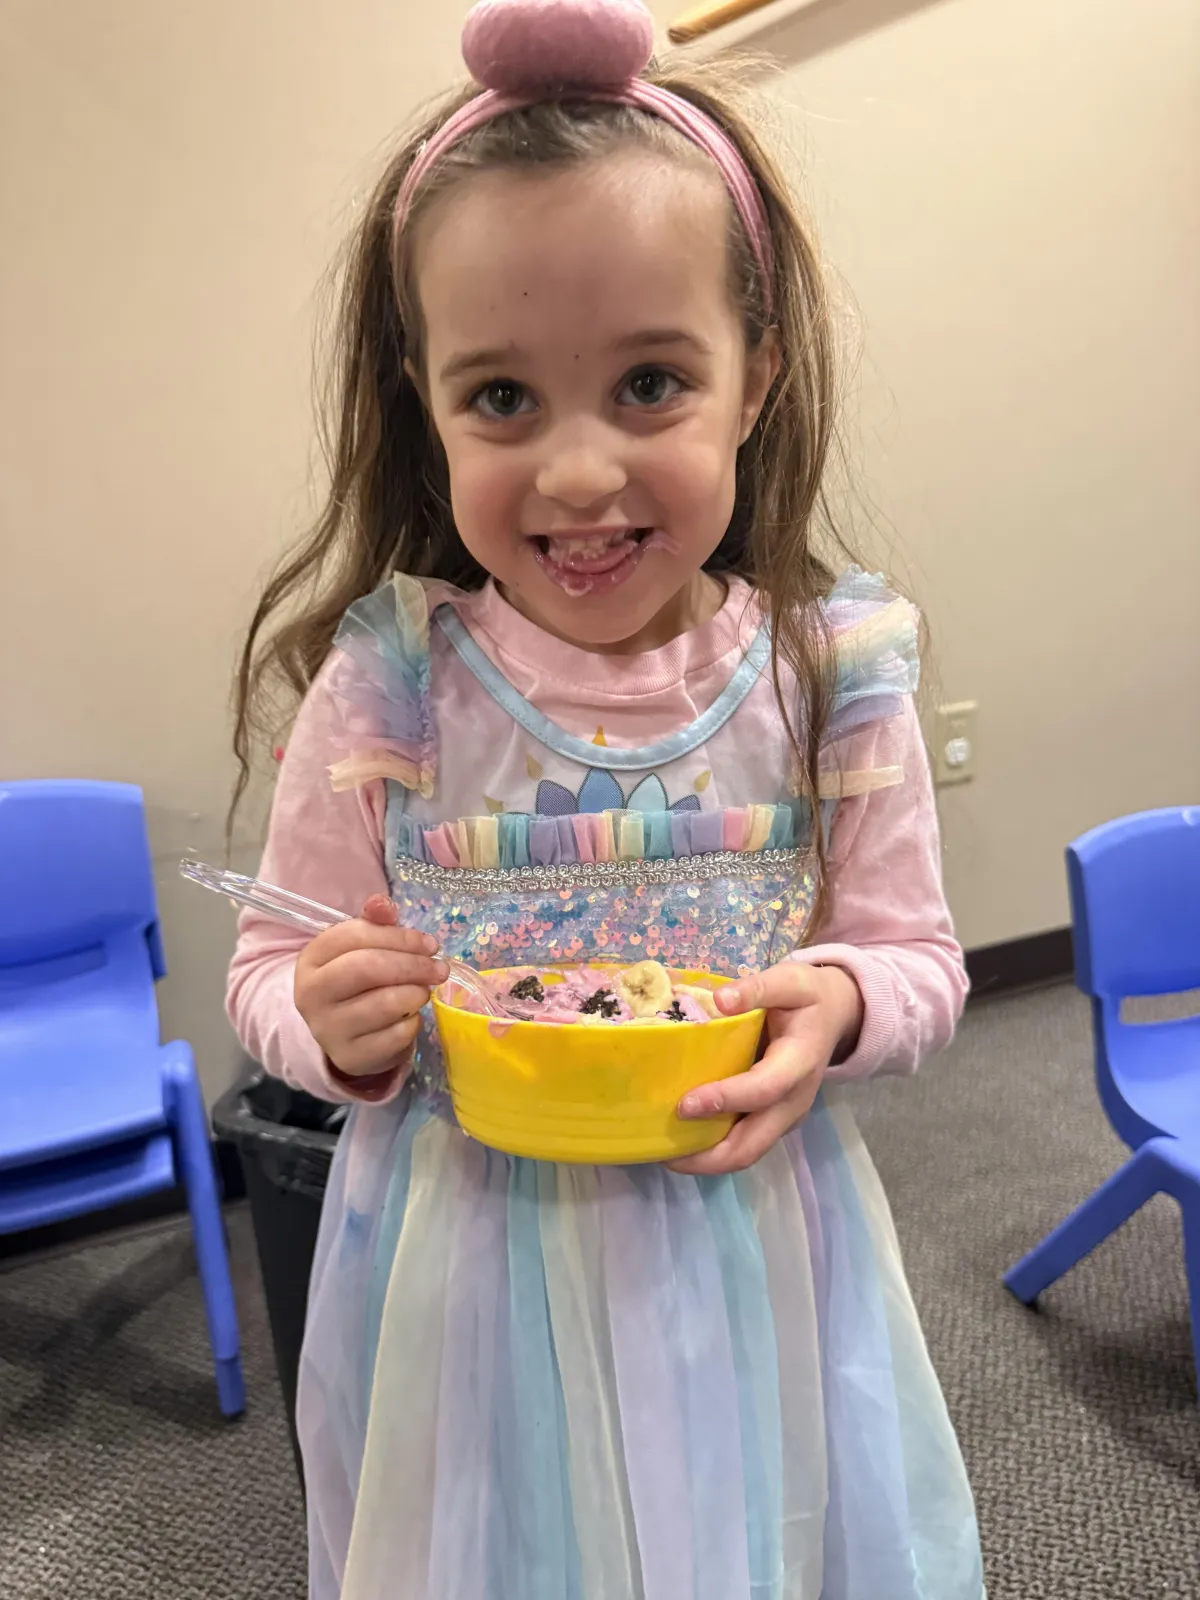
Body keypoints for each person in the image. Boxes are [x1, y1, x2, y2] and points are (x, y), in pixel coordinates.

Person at [227, 1, 984, 1594]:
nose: (578, 474)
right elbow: (264, 978)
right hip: (467, 1266)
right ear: (426, 402)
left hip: (753, 1244)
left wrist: (839, 1003)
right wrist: (324, 1017)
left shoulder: (828, 675)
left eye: (651, 381)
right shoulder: (389, 686)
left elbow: (918, 957)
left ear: (756, 377)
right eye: (502, 399)